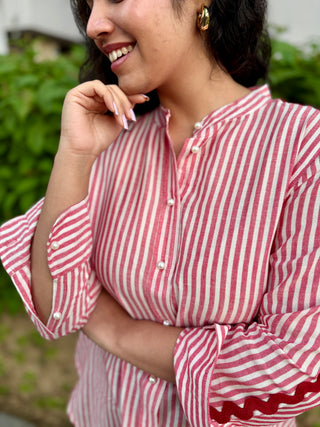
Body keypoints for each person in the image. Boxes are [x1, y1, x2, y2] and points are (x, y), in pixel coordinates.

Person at [1, 0, 320, 425]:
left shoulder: (302, 147)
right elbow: (58, 308)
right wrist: (75, 155)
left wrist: (119, 331)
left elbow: (295, 366)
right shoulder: (109, 141)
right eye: (88, 6)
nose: (94, 25)